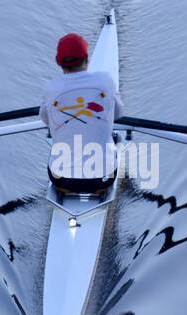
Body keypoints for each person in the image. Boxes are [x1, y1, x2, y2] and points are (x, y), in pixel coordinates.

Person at [40, 31, 124, 194]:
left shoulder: (51, 88)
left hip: (61, 179)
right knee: (116, 138)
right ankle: (99, 189)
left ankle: (66, 188)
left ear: (59, 63)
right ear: (87, 58)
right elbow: (118, 114)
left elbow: (46, 121)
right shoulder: (105, 80)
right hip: (102, 179)